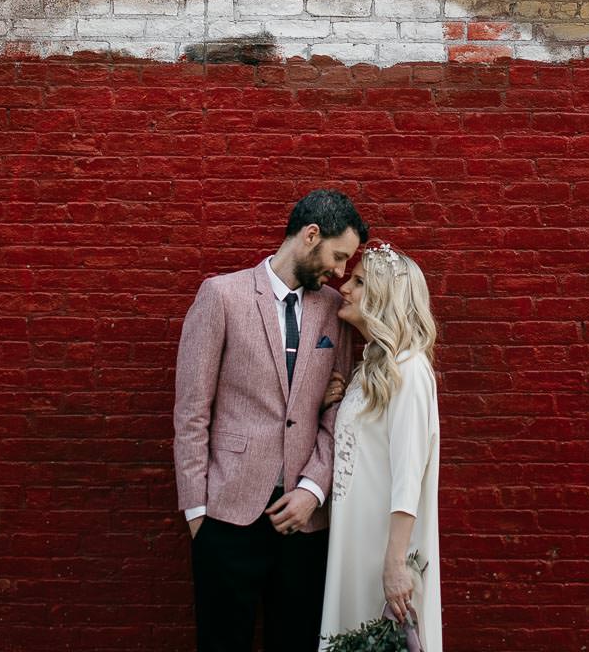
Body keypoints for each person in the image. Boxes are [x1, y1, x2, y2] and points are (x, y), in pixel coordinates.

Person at [174, 189, 368, 652]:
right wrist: (198, 513)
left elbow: (337, 414)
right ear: (310, 235)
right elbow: (191, 412)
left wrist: (313, 489)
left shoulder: (332, 313)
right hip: (226, 516)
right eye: (338, 257)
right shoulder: (221, 296)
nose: (341, 273)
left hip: (304, 525)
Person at [318, 242, 442, 652]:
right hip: (352, 541)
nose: (344, 287)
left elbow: (409, 474)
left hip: (382, 549)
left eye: (358, 281)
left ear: (384, 296)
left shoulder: (410, 370)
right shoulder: (374, 366)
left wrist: (394, 564)